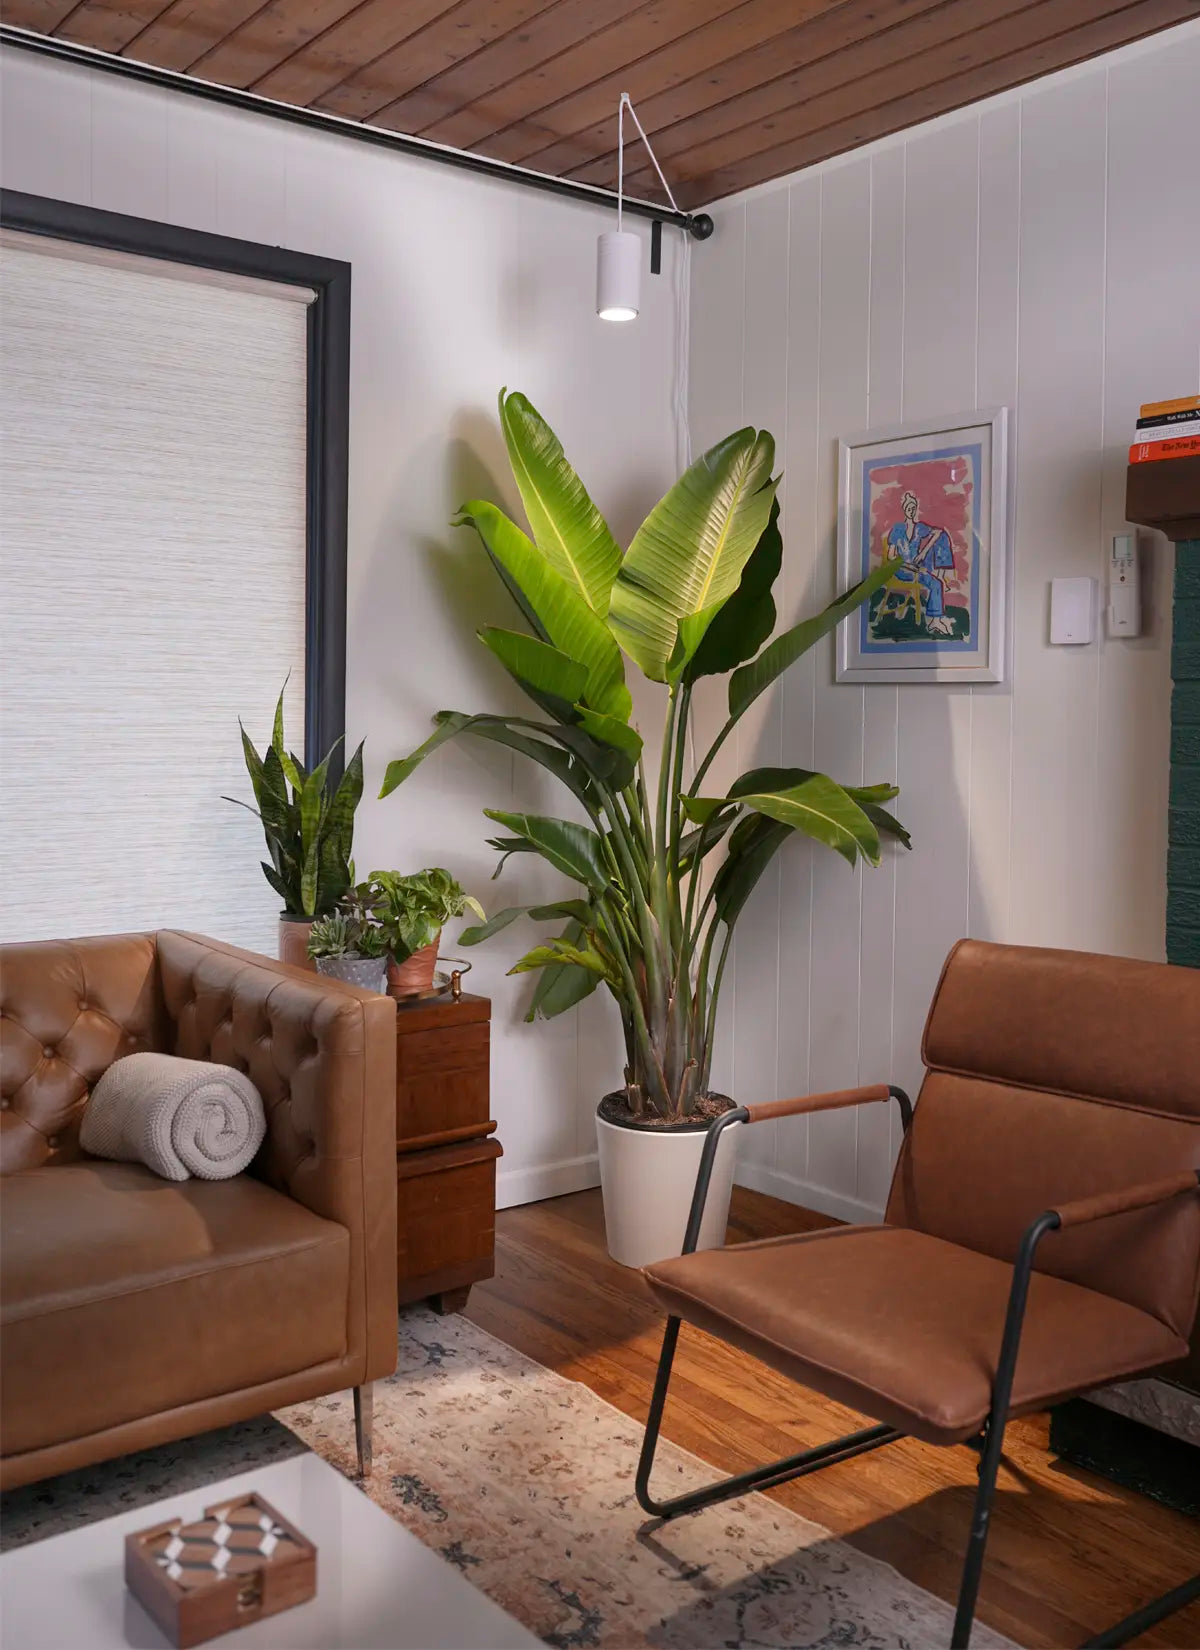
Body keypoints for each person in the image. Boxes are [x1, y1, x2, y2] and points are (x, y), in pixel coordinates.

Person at [883, 490, 956, 636]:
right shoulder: (898, 529)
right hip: (902, 569)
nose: (911, 511)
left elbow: (937, 533)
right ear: (904, 509)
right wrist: (910, 567)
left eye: (913, 508)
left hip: (916, 567)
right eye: (909, 508)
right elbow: (891, 557)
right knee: (934, 581)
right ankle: (938, 577)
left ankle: (935, 622)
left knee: (937, 582)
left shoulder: (919, 527)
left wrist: (923, 552)